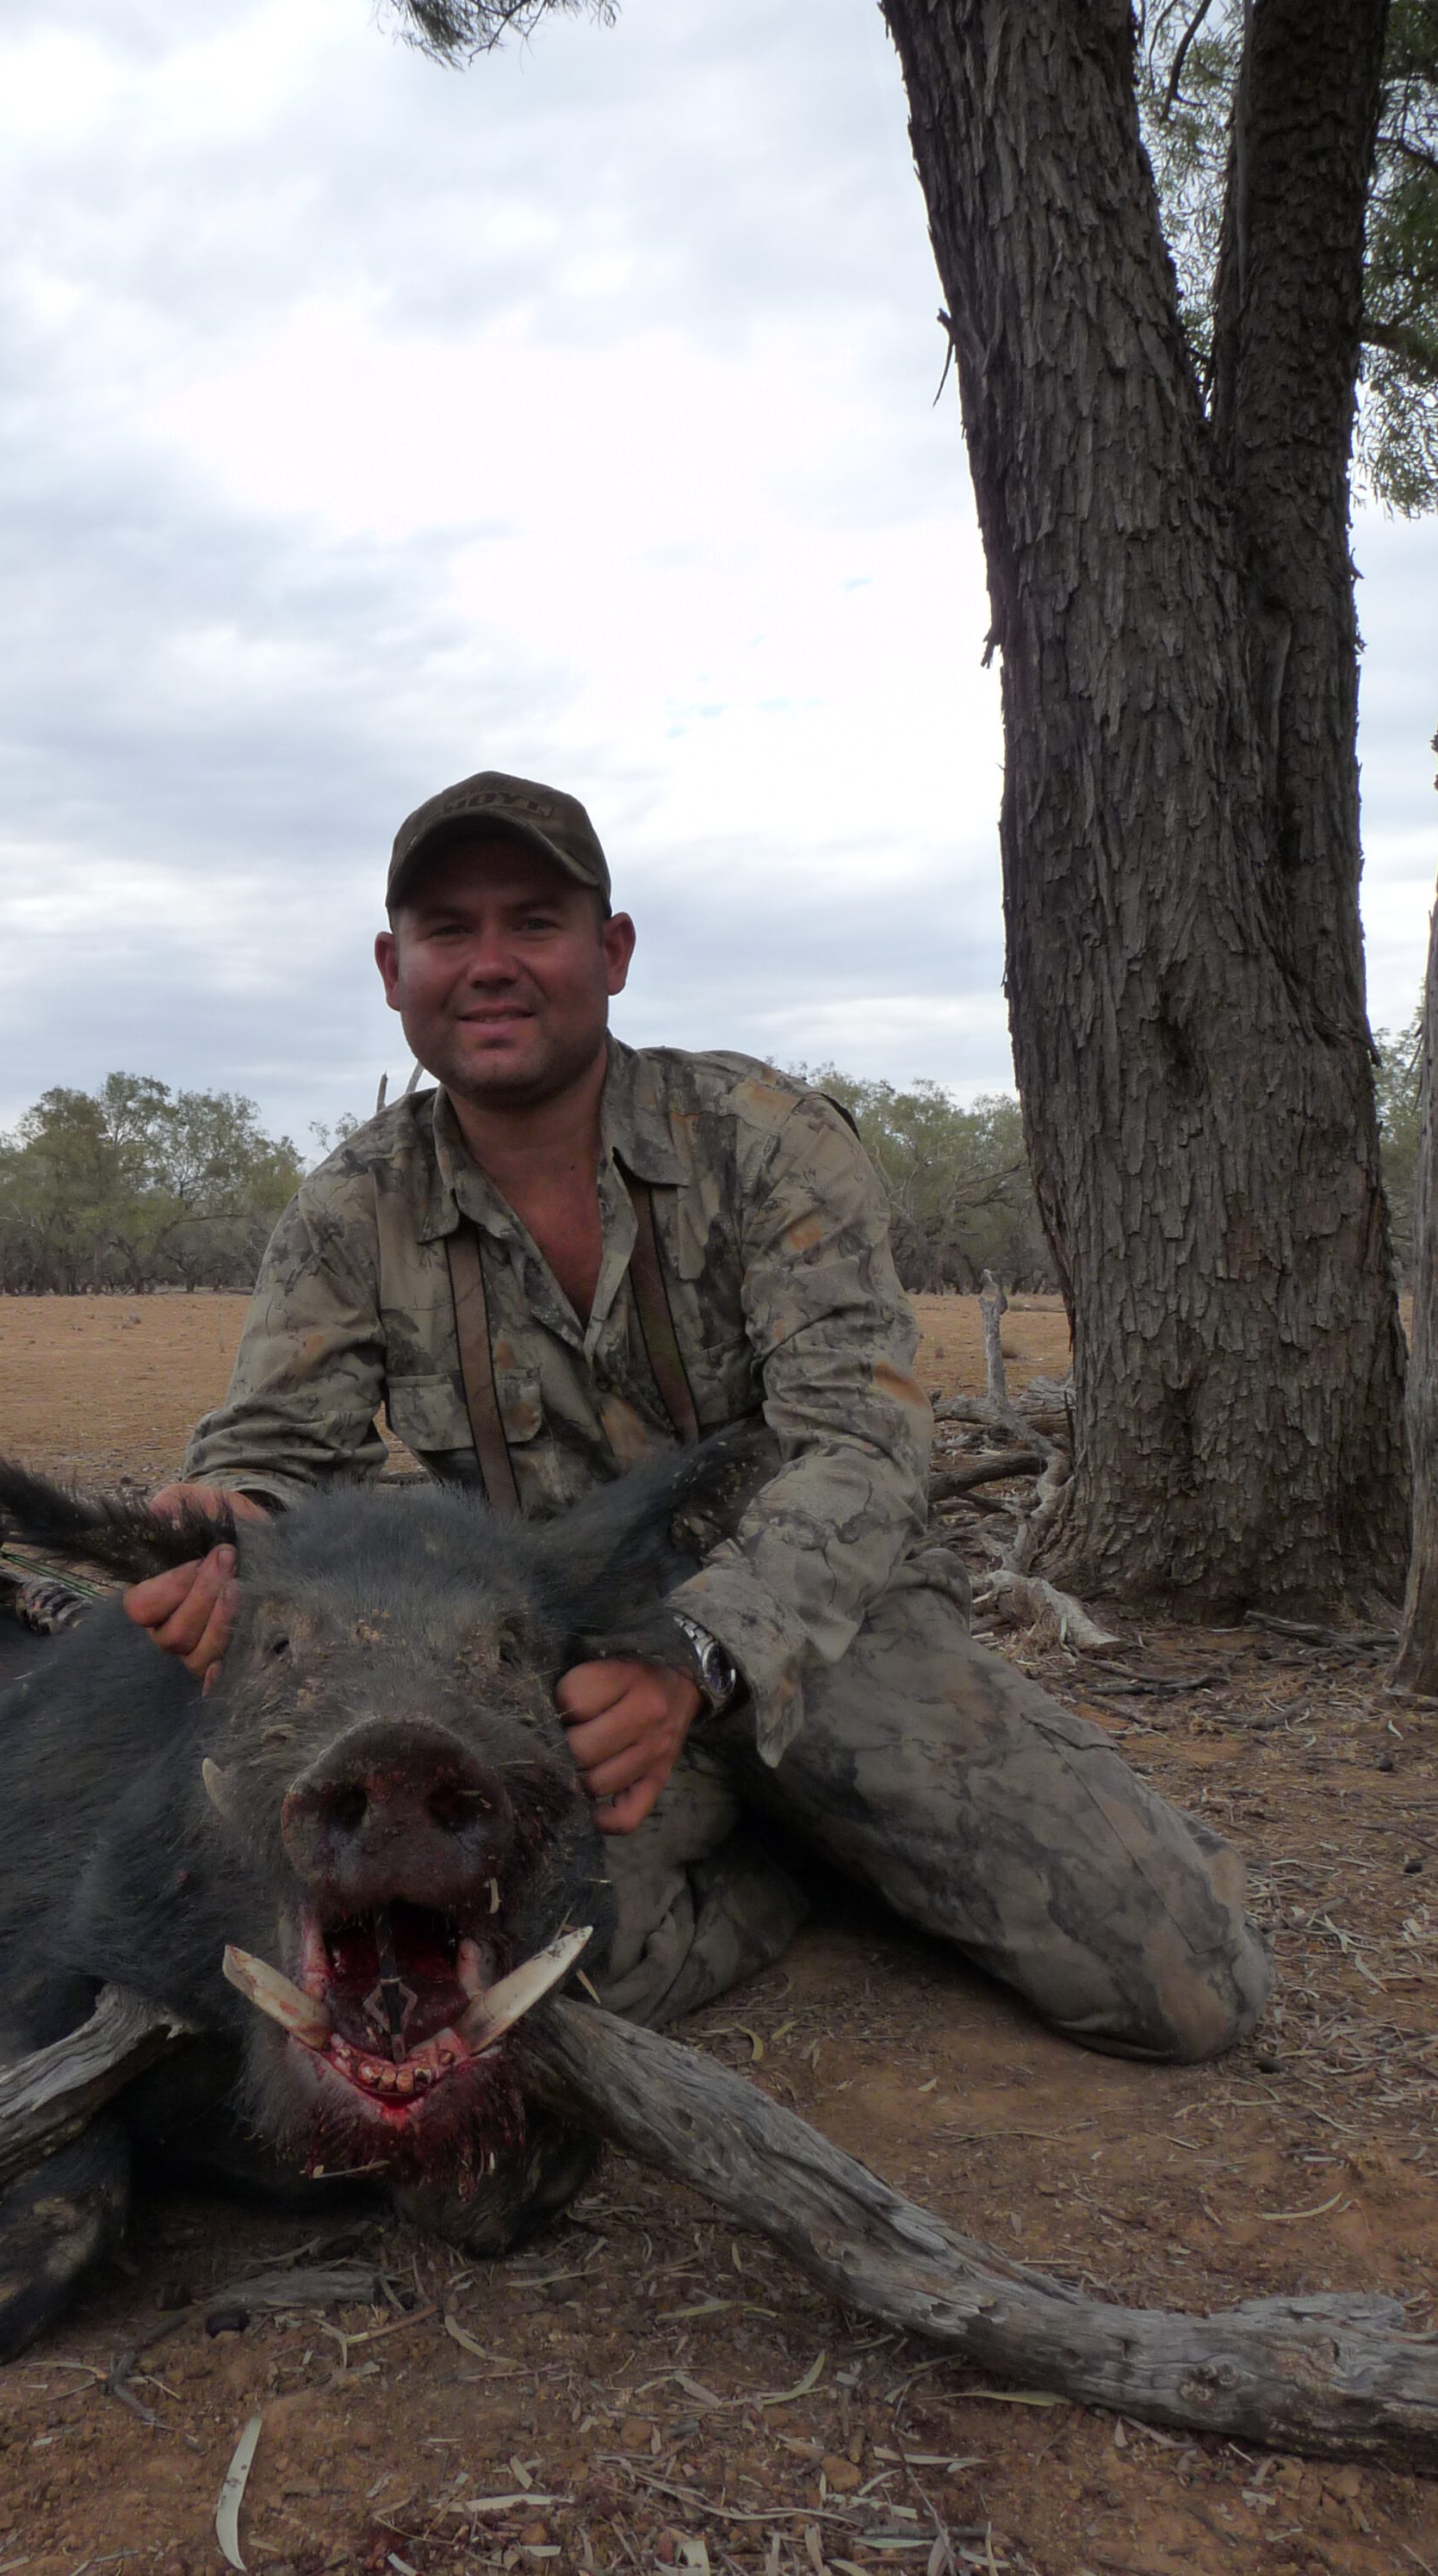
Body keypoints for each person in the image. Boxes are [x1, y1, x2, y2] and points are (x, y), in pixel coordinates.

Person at [126, 771, 1272, 2055]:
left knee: (1183, 1991)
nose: (490, 964)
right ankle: (792, 1871)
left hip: (829, 1633)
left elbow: (862, 1437)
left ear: (610, 954)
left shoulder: (762, 1137)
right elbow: (275, 1450)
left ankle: (826, 1804)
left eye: (535, 924)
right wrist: (229, 1523)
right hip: (554, 1668)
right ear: (394, 970)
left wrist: (700, 1656)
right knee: (502, 1998)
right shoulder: (353, 1205)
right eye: (449, 931)